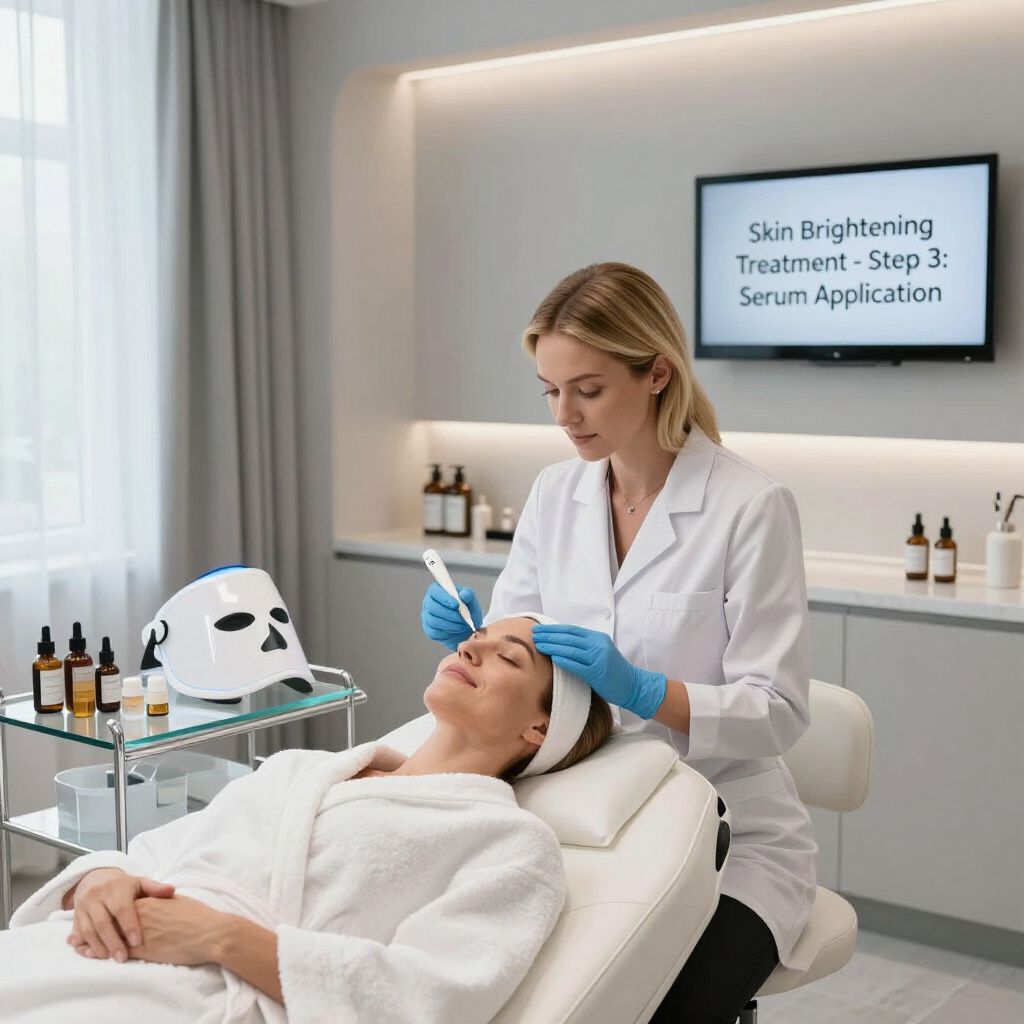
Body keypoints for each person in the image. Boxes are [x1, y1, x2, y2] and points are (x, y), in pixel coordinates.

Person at [421, 262, 818, 1023]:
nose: (565, 414)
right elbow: (521, 644)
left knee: (661, 1004)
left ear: (658, 373)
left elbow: (779, 710)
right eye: (551, 390)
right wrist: (477, 635)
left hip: (724, 825)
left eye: (589, 389)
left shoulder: (750, 506)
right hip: (578, 804)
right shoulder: (555, 492)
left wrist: (644, 690)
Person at [3, 615, 611, 1024]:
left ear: (539, 728)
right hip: (102, 944)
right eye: (474, 638)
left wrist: (218, 937)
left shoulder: (512, 845)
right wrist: (102, 879)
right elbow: (158, 851)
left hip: (204, 996)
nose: (470, 647)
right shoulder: (303, 767)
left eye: (507, 658)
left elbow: (427, 995)